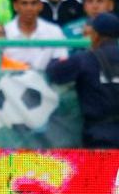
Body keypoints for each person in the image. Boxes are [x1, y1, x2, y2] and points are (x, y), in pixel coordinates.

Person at [47, 12, 119, 147]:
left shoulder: (85, 59)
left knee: (102, 169)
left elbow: (55, 73)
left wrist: (55, 61)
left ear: (95, 35)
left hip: (100, 137)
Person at [4, 0, 68, 70]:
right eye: (24, 3)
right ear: (15, 6)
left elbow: (61, 63)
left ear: (40, 6)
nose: (29, 8)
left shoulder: (54, 31)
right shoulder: (4, 32)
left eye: (33, 3)